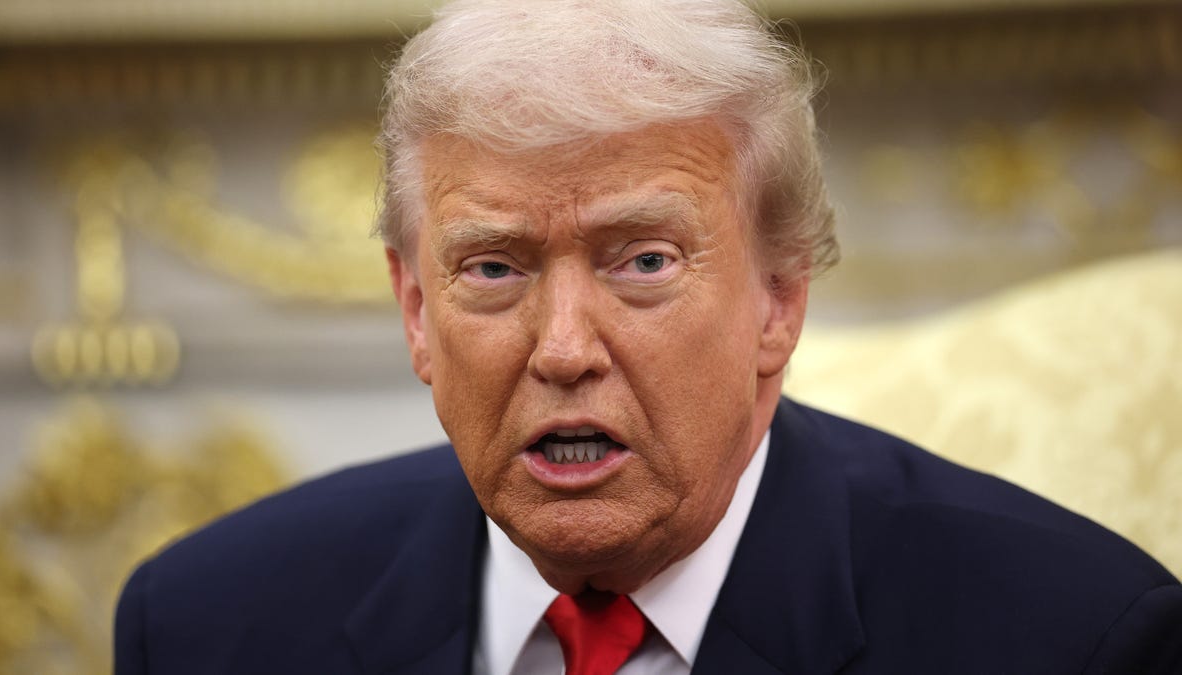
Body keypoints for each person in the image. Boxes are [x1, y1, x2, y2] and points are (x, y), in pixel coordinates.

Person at [114, 0, 1182, 673]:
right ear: (416, 312)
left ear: (779, 298)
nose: (563, 349)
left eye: (644, 262)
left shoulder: (1074, 637)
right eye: (494, 268)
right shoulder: (208, 624)